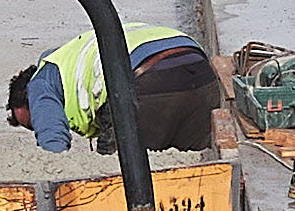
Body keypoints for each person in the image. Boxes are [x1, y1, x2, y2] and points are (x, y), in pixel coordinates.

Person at [15, 16, 222, 158]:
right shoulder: (76, 52)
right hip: (200, 72)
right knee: (198, 172)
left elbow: (53, 146)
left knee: (112, 182)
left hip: (145, 82)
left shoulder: (40, 83)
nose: (39, 125)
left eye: (33, 123)